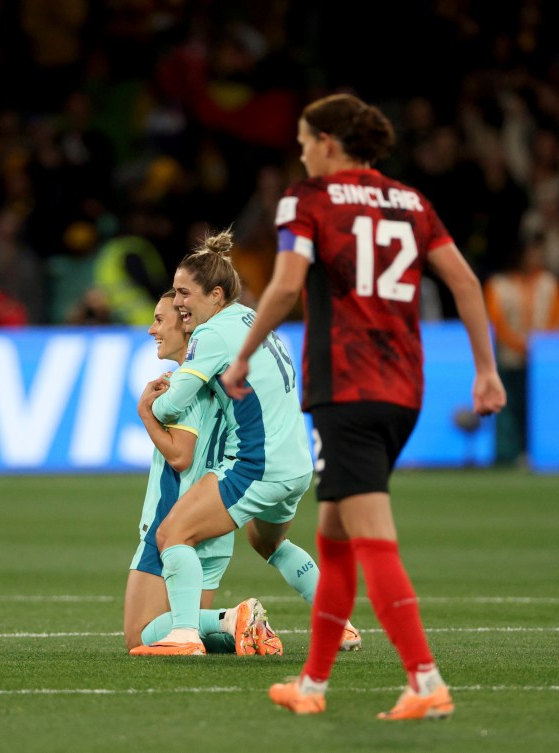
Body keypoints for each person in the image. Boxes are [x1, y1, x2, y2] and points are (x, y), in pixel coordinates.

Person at [219, 93, 506, 720]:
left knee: (371, 537)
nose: (299, 152)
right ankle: (313, 685)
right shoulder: (412, 202)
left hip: (346, 390)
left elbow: (289, 284)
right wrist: (485, 370)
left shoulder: (307, 200)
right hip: (403, 389)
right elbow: (463, 280)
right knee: (336, 534)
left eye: (303, 140)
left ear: (327, 141)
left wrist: (242, 356)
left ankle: (425, 681)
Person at [130, 230, 360, 657]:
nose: (178, 303)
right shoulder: (253, 319)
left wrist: (150, 407)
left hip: (257, 463)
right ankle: (338, 623)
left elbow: (173, 403)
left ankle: (183, 635)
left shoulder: (211, 334)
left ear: (215, 295)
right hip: (296, 464)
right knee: (267, 542)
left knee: (173, 533)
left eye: (185, 293)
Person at [125, 290, 277, 656]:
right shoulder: (221, 382)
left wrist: (146, 412)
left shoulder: (183, 386)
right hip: (215, 520)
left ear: (186, 325)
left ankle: (232, 617)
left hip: (176, 518)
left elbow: (181, 456)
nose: (151, 330)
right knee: (191, 627)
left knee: (140, 634)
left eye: (161, 320)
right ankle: (247, 631)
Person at [484, 232, 559, 465]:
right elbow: (496, 322)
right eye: (532, 252)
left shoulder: (550, 284)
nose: (536, 257)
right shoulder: (498, 285)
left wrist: (543, 347)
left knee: (539, 409)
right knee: (508, 408)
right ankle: (508, 455)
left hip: (543, 362)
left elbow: (556, 317)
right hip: (509, 358)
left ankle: (540, 454)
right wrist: (521, 345)